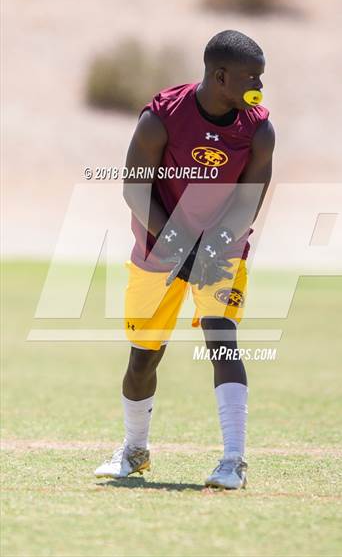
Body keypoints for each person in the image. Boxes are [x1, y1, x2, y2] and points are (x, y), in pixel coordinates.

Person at [94, 29, 275, 489]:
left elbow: (247, 202)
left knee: (222, 339)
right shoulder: (161, 119)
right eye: (250, 77)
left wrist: (209, 248)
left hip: (221, 247)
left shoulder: (258, 128)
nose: (258, 87)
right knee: (143, 360)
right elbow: (135, 191)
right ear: (219, 76)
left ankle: (234, 461)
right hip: (158, 250)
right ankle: (135, 452)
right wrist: (180, 248)